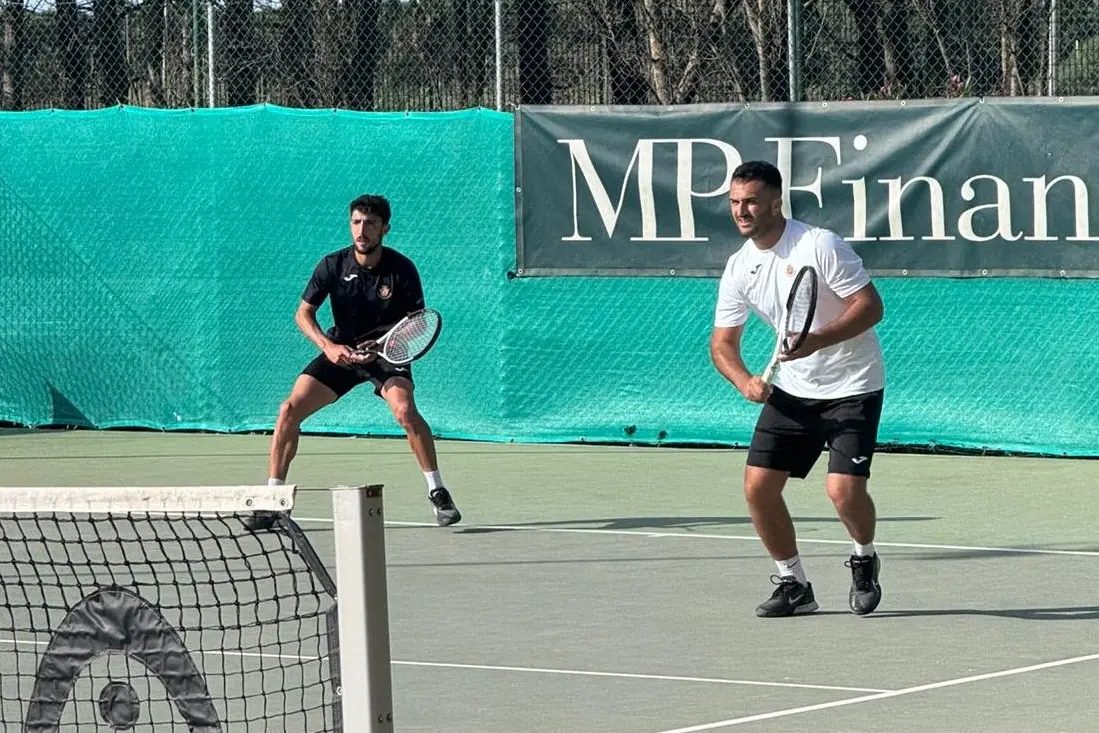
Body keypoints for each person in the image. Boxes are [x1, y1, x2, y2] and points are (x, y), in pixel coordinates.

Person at [709, 161, 886, 618]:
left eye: (750, 201)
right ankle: (794, 583)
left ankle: (863, 557)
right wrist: (743, 379)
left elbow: (870, 307)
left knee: (843, 492)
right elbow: (722, 343)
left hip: (853, 385)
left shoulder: (819, 245)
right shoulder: (739, 266)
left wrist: (818, 340)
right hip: (793, 392)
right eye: (734, 202)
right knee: (758, 489)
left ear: (774, 202)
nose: (741, 211)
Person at [248, 194, 461, 531]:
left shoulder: (402, 269)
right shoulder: (332, 265)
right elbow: (303, 314)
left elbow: (417, 323)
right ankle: (274, 500)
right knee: (288, 409)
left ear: (385, 229)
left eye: (371, 224)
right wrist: (329, 346)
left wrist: (383, 349)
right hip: (341, 351)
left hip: (386, 354)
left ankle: (438, 491)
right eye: (357, 222)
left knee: (405, 411)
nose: (362, 230)